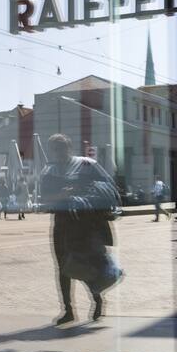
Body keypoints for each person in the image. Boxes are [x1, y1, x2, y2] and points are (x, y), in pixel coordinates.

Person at [40, 133, 121, 325]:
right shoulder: (49, 171)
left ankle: (97, 299)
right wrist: (61, 195)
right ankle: (68, 310)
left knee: (85, 264)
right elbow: (45, 200)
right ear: (51, 151)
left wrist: (87, 194)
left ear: (69, 148)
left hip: (85, 223)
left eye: (62, 148)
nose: (59, 153)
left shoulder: (87, 164)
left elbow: (109, 186)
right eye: (55, 149)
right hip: (62, 223)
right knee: (63, 267)